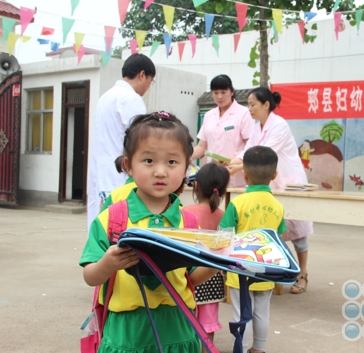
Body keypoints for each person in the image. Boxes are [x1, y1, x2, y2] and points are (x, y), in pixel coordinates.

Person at [80, 112, 217, 352]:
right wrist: (108, 264)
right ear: (128, 165)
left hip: (179, 327)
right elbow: (91, 276)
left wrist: (218, 260)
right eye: (149, 161)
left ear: (187, 168)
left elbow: (191, 277)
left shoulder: (189, 221)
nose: (161, 172)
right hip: (127, 332)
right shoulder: (111, 219)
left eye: (172, 162)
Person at [227, 87, 313, 294]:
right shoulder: (257, 127)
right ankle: (273, 272)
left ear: (266, 105)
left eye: (252, 104)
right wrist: (232, 161)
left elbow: (265, 154)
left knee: (297, 232)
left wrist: (238, 167)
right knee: (270, 229)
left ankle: (302, 274)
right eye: (248, 104)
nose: (249, 109)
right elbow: (249, 150)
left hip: (289, 182)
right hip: (267, 183)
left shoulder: (280, 125)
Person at [219, 146, 287, 353]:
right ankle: (258, 349)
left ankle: (241, 348)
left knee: (242, 314)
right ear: (274, 175)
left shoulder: (237, 203)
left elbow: (223, 236)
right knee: (262, 312)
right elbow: (280, 237)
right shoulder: (277, 206)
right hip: (267, 269)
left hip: (240, 269)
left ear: (245, 174)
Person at [86, 53, 155, 229]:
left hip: (101, 172)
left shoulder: (106, 97)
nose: (148, 86)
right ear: (142, 75)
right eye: (150, 80)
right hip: (120, 173)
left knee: (101, 224)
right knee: (120, 225)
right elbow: (140, 139)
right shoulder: (131, 99)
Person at [183, 163, 230, 353]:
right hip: (213, 278)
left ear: (196, 186)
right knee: (208, 324)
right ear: (223, 191)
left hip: (190, 277)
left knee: (186, 320)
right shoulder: (223, 216)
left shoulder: (186, 212)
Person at [191, 75, 254, 187]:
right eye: (215, 93)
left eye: (223, 92)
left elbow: (250, 146)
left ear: (232, 92)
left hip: (235, 174)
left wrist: (235, 161)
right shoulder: (209, 115)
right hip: (213, 174)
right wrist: (184, 157)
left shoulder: (244, 113)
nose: (219, 96)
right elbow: (201, 146)